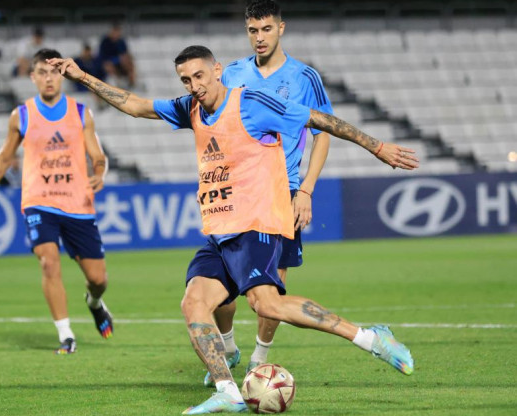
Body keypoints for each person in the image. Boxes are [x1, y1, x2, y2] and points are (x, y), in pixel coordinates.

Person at [48, 46, 418, 413]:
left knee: (266, 303)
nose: (194, 85)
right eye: (186, 80)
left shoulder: (252, 103)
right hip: (220, 231)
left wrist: (376, 146)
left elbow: (318, 120)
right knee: (194, 303)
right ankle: (228, 390)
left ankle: (371, 338)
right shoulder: (190, 108)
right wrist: (81, 77)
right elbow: (135, 104)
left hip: (257, 224)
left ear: (217, 71)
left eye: (199, 76)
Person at [204, 0, 336, 386]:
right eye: (252, 31)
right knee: (225, 286)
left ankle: (259, 361)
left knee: (273, 286)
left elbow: (322, 133)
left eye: (266, 29)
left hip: (283, 191)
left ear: (281, 28)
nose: (259, 38)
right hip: (237, 190)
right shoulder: (232, 73)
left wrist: (306, 190)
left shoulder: (304, 77)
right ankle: (227, 347)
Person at [0, 49, 114, 354]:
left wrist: (100, 172)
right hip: (39, 202)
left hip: (78, 203)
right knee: (48, 263)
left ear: (62, 75)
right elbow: (3, 158)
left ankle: (94, 302)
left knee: (98, 279)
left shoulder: (81, 113)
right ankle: (66, 334)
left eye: (54, 72)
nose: (49, 78)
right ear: (32, 77)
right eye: (42, 72)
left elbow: (97, 155)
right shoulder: (21, 115)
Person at [98, 22, 136, 87]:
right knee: (109, 66)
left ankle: (132, 84)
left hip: (120, 63)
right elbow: (103, 57)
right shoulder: (105, 42)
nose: (117, 34)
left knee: (130, 63)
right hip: (108, 62)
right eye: (115, 32)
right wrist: (117, 59)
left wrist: (125, 59)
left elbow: (125, 54)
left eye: (118, 32)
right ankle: (117, 83)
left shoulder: (121, 42)